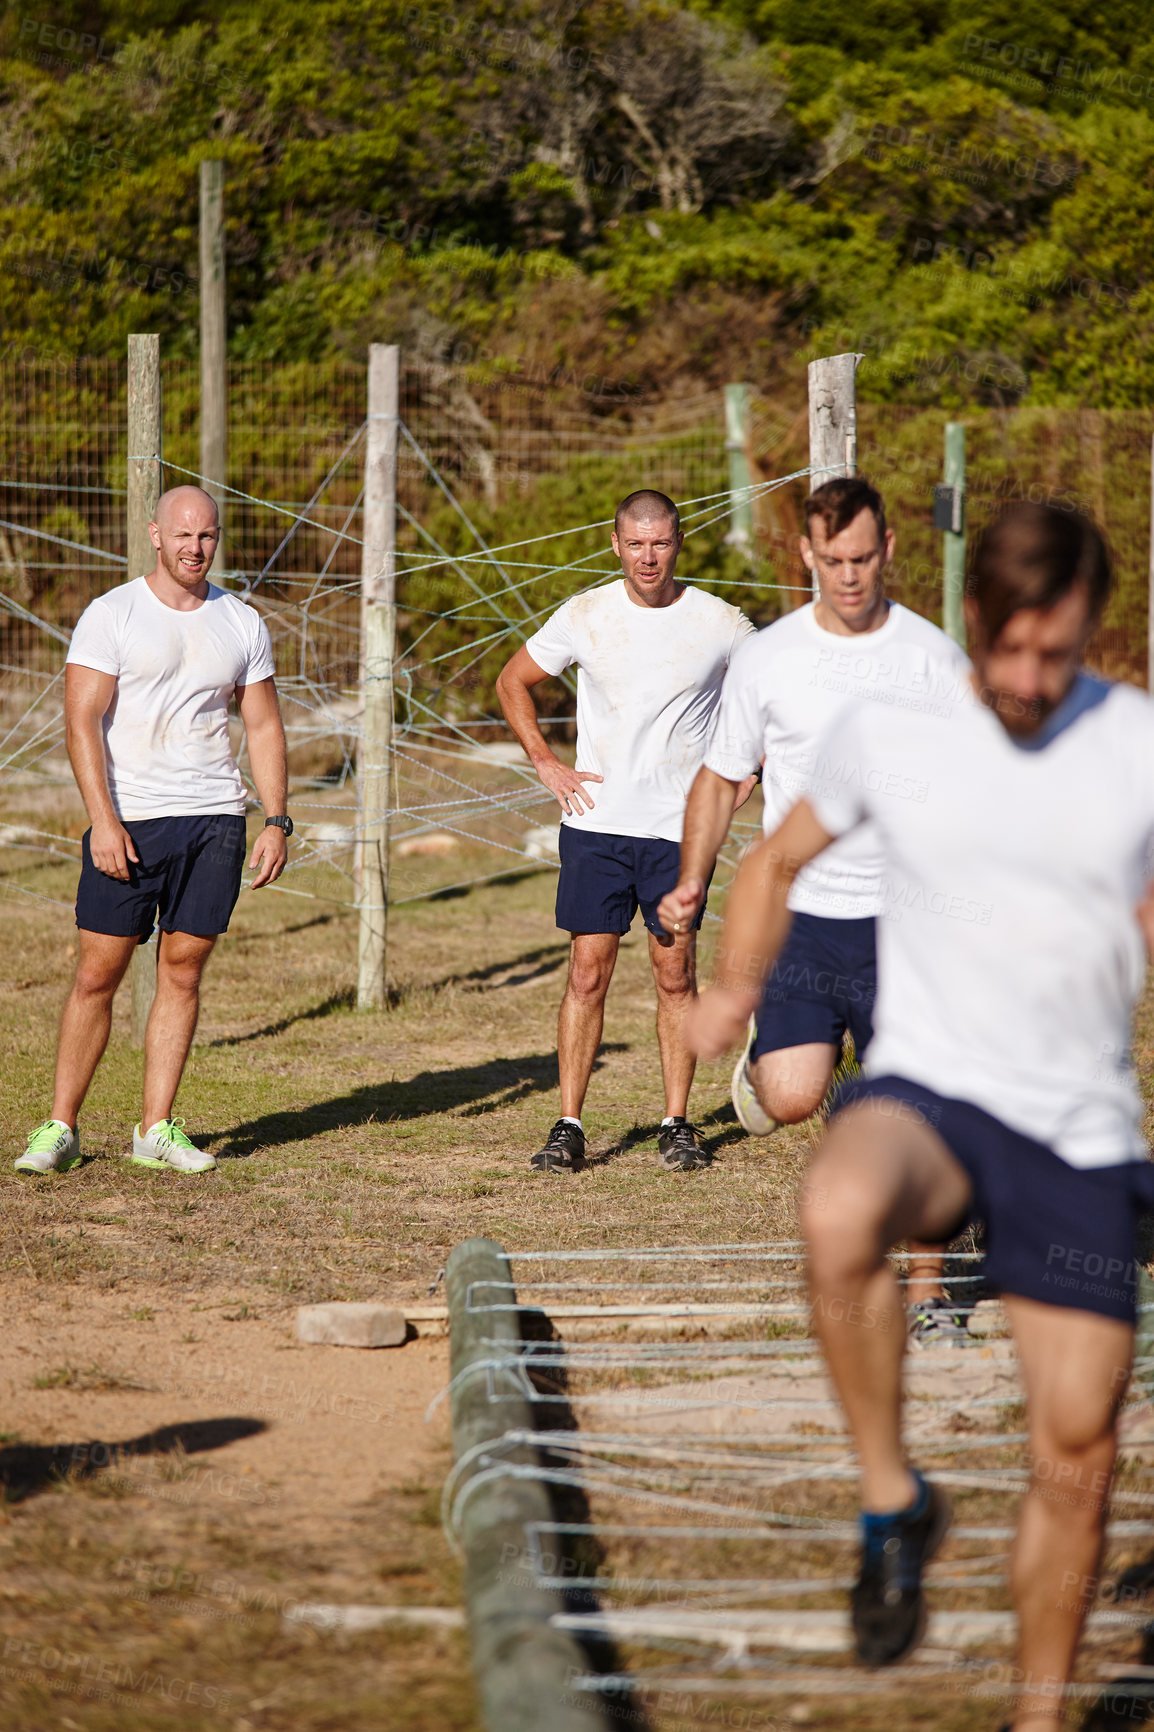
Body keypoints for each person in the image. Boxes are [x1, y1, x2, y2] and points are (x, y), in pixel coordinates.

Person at [687, 501, 1154, 1728]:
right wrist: (734, 991)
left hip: (1077, 1126)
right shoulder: (895, 730)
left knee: (1075, 1453)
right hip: (934, 1089)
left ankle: (1036, 1716)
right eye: (1003, 648)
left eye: (1053, 654)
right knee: (837, 1202)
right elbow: (772, 861)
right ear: (969, 621)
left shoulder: (1134, 748)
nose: (1023, 680)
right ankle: (893, 1496)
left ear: (1089, 631)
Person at [658, 475, 972, 1344]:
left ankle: (929, 1294)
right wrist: (694, 876)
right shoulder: (769, 658)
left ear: (889, 550)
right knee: (794, 1096)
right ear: (806, 554)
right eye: (831, 559)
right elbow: (723, 778)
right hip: (802, 917)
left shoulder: (932, 659)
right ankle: (791, 1066)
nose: (848, 575)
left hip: (908, 920)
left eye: (863, 558)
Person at [16, 485, 291, 1177]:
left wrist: (276, 819)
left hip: (216, 818)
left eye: (208, 536)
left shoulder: (243, 621)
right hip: (131, 820)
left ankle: (155, 1130)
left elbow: (261, 725)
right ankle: (59, 1126)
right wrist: (103, 821)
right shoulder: (111, 615)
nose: (196, 548)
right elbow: (79, 721)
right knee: (98, 973)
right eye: (184, 535)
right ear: (155, 535)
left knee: (183, 969)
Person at [496, 489, 755, 1173]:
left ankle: (677, 1123)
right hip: (597, 826)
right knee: (587, 973)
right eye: (635, 543)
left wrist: (746, 776)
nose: (648, 556)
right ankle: (569, 1124)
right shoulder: (584, 615)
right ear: (616, 545)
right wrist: (546, 761)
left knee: (676, 975)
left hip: (680, 833)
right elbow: (512, 681)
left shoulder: (721, 623)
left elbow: (773, 699)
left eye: (661, 542)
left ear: (679, 543)